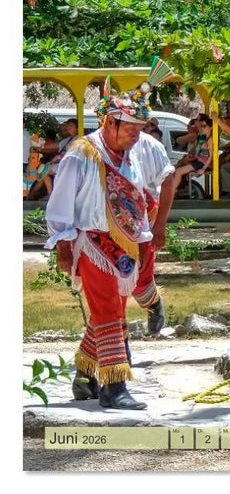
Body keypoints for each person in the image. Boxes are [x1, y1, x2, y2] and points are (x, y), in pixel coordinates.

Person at [44, 61, 174, 410]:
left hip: (127, 244)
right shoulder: (81, 154)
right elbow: (60, 206)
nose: (135, 134)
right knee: (107, 312)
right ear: (109, 121)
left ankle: (85, 377)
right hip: (94, 243)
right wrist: (63, 248)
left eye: (139, 127)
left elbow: (158, 184)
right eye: (129, 127)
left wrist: (154, 225)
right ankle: (113, 387)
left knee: (114, 308)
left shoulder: (139, 150)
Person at [130, 130, 177, 334]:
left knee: (140, 276)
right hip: (106, 220)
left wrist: (159, 225)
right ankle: (114, 343)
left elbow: (168, 182)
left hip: (142, 216)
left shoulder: (150, 145)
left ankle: (153, 304)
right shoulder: (93, 145)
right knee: (106, 278)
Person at [172, 114, 213, 193]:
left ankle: (172, 190)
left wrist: (203, 169)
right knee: (176, 168)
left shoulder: (209, 138)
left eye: (197, 120)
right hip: (198, 161)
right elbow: (197, 151)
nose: (195, 121)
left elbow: (210, 155)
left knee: (179, 171)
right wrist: (192, 157)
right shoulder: (201, 136)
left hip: (202, 163)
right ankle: (177, 188)